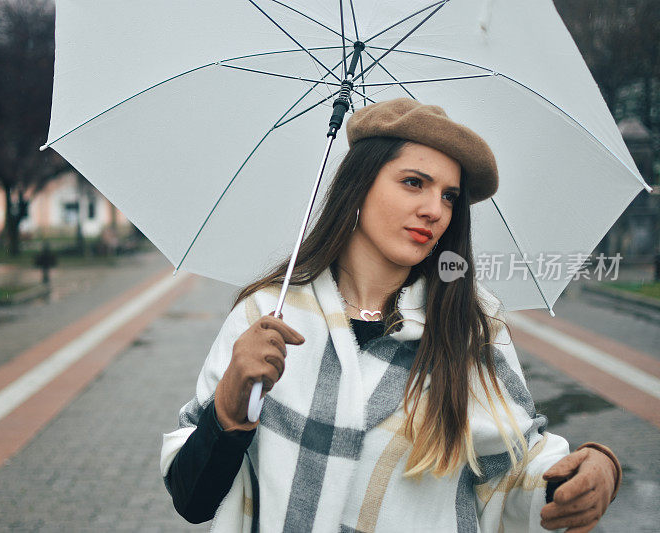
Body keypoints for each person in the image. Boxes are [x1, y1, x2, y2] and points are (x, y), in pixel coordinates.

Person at [160, 98, 621, 532]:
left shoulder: (468, 326)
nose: (434, 210)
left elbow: (517, 470)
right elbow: (193, 500)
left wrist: (590, 470)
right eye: (414, 182)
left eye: (449, 196)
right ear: (359, 185)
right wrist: (228, 409)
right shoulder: (268, 314)